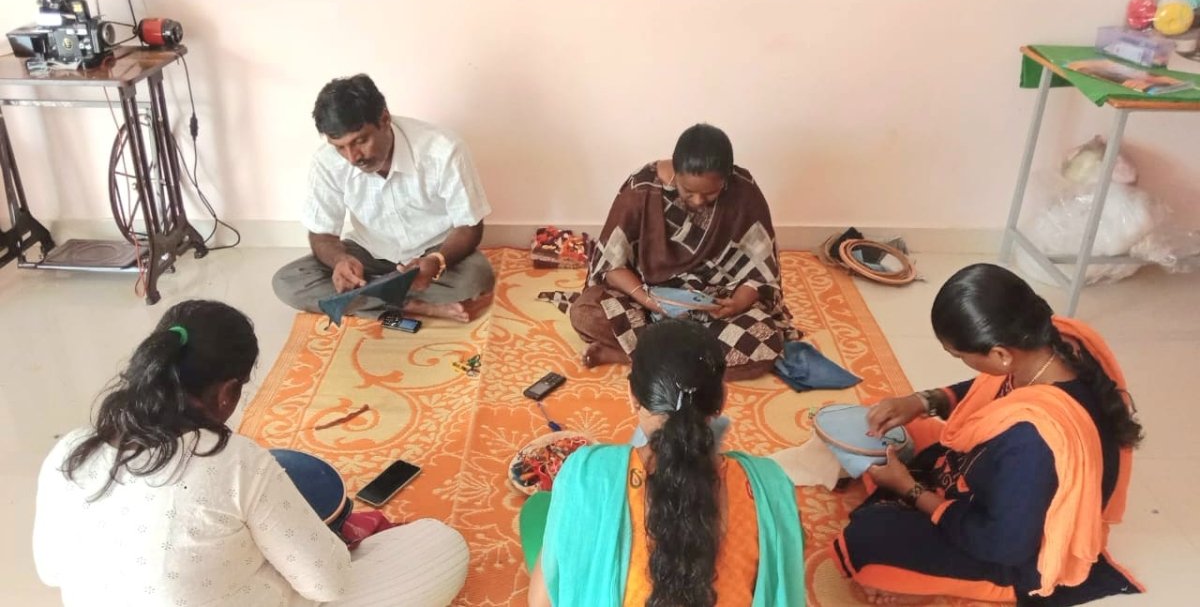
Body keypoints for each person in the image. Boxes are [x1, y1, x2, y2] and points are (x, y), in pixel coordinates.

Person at [33, 300, 469, 607]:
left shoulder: (71, 450)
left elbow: (51, 571)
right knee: (441, 543)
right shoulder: (235, 462)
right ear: (226, 394)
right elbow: (329, 583)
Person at [833, 264, 1144, 606]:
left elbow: (1003, 546)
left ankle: (944, 582)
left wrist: (910, 489)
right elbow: (990, 387)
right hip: (1004, 486)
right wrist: (923, 401)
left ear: (999, 354)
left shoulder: (1032, 442)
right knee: (894, 423)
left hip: (1014, 555)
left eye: (959, 355)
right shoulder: (1050, 344)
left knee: (864, 542)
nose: (962, 362)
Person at [523, 319, 805, 607]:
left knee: (538, 510)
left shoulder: (587, 474)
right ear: (722, 399)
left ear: (632, 397)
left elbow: (541, 602)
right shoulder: (768, 486)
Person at [567, 123, 797, 381]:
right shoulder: (641, 188)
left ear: (726, 179)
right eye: (688, 192)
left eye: (710, 194)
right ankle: (686, 363)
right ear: (675, 172)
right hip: (645, 301)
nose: (698, 201)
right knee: (586, 312)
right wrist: (649, 301)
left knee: (764, 341)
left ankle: (629, 356)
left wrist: (737, 304)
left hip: (714, 308)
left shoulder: (743, 191)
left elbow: (760, 273)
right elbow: (612, 267)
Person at [273, 74, 495, 323]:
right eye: (340, 147)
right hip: (368, 253)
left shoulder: (443, 149)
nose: (352, 157)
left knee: (477, 277)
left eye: (361, 141)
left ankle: (370, 296)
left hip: (432, 251)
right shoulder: (326, 162)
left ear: (385, 119)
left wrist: (437, 260)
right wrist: (340, 261)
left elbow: (469, 225)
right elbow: (321, 233)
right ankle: (412, 304)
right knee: (288, 282)